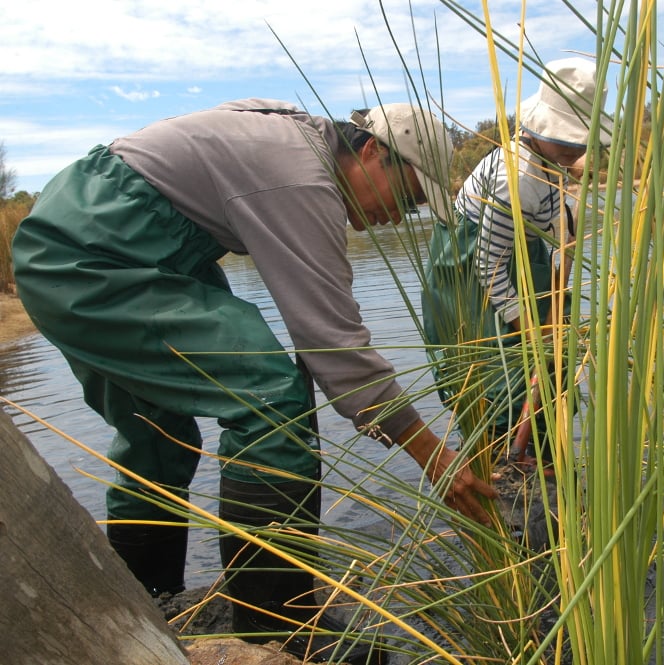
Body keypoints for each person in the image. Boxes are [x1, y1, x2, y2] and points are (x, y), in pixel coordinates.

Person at [12, 99, 497, 664]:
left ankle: (151, 600)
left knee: (155, 434)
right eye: (409, 197)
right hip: (89, 256)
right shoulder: (300, 175)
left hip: (102, 237)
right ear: (370, 153)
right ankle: (279, 624)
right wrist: (434, 456)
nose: (399, 217)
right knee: (271, 395)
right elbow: (332, 347)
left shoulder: (292, 143)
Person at [421, 58, 607, 469]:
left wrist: (555, 304)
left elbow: (561, 236)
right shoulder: (517, 175)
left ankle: (535, 460)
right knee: (503, 380)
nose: (578, 151)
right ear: (541, 130)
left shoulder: (552, 159)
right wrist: (536, 332)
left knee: (553, 367)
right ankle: (506, 465)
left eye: (584, 143)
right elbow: (490, 270)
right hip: (472, 271)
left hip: (523, 255)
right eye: (570, 141)